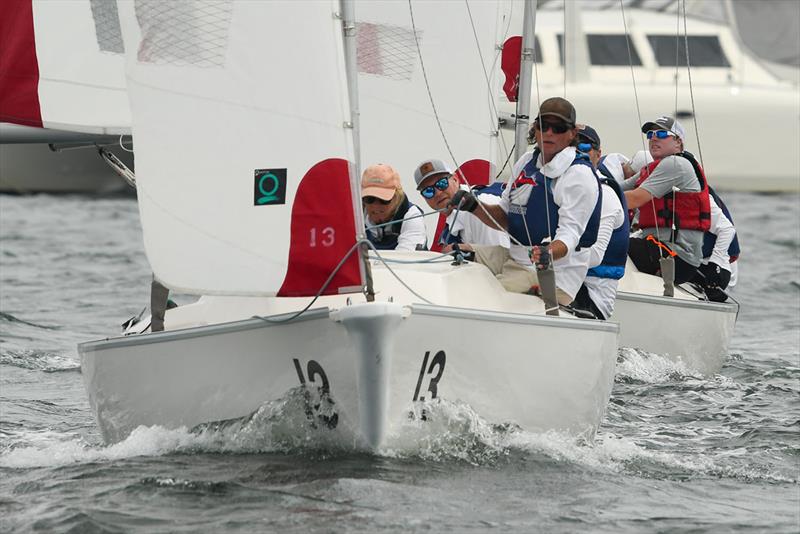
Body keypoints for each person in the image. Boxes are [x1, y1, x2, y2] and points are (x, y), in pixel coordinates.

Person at [450, 97, 602, 306]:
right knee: (454, 255)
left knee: (486, 297)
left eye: (557, 128)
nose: (548, 132)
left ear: (572, 134)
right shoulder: (526, 162)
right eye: (543, 125)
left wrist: (547, 253)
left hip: (552, 274)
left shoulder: (578, 175)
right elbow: (504, 216)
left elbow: (569, 236)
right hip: (515, 257)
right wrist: (473, 206)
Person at [621, 116, 710, 285]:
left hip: (676, 257)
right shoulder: (653, 169)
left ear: (678, 143)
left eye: (662, 133)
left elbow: (634, 199)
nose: (653, 137)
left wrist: (593, 202)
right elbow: (617, 189)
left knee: (608, 243)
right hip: (657, 247)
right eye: (650, 134)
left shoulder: (676, 164)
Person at [572, 124, 629, 320]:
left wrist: (545, 256)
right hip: (568, 282)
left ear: (598, 154)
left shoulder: (605, 195)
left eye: (586, 147)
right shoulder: (564, 189)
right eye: (573, 146)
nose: (579, 151)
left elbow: (595, 255)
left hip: (592, 298)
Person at [412, 158, 509, 253]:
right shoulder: (450, 222)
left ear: (455, 179)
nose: (438, 193)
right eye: (428, 191)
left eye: (442, 183)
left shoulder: (481, 206)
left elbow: (502, 259)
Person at [361, 163, 427, 251]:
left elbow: (405, 259)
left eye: (383, 199)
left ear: (397, 197)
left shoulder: (412, 216)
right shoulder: (355, 216)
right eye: (370, 199)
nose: (376, 205)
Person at [694, 188, 740, 301]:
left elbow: (727, 230)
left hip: (719, 266)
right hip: (696, 261)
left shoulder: (700, 195)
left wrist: (714, 263)